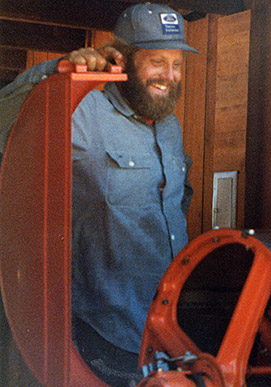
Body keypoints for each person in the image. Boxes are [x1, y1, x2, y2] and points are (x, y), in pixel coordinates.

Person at [0, 3, 198, 386]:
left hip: (167, 329)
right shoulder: (83, 111)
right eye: (157, 61)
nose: (170, 76)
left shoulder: (169, 127)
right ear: (122, 58)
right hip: (104, 333)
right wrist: (54, 70)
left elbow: (177, 202)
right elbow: (5, 122)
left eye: (177, 64)